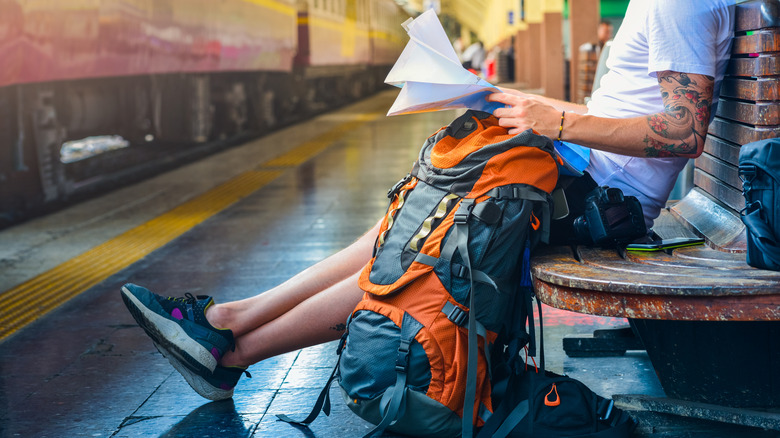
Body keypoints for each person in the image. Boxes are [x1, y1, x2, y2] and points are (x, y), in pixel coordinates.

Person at [120, 0, 735, 401]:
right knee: (393, 231)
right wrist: (509, 102)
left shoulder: (678, 3)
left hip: (597, 200)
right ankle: (226, 323)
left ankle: (233, 348)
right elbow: (631, 116)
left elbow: (681, 131)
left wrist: (555, 122)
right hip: (581, 175)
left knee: (414, 249)